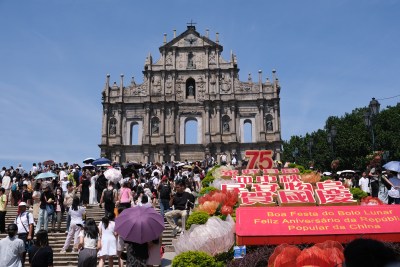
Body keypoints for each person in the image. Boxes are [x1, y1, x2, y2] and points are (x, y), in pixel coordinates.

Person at [13, 202, 35, 267]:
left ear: (25, 207)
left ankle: (27, 264)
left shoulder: (28, 214)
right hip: (18, 235)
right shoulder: (18, 216)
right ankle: (21, 265)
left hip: (25, 235)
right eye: (20, 206)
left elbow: (31, 225)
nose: (21, 208)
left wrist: (30, 235)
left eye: (22, 206)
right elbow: (15, 226)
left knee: (25, 251)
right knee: (20, 252)